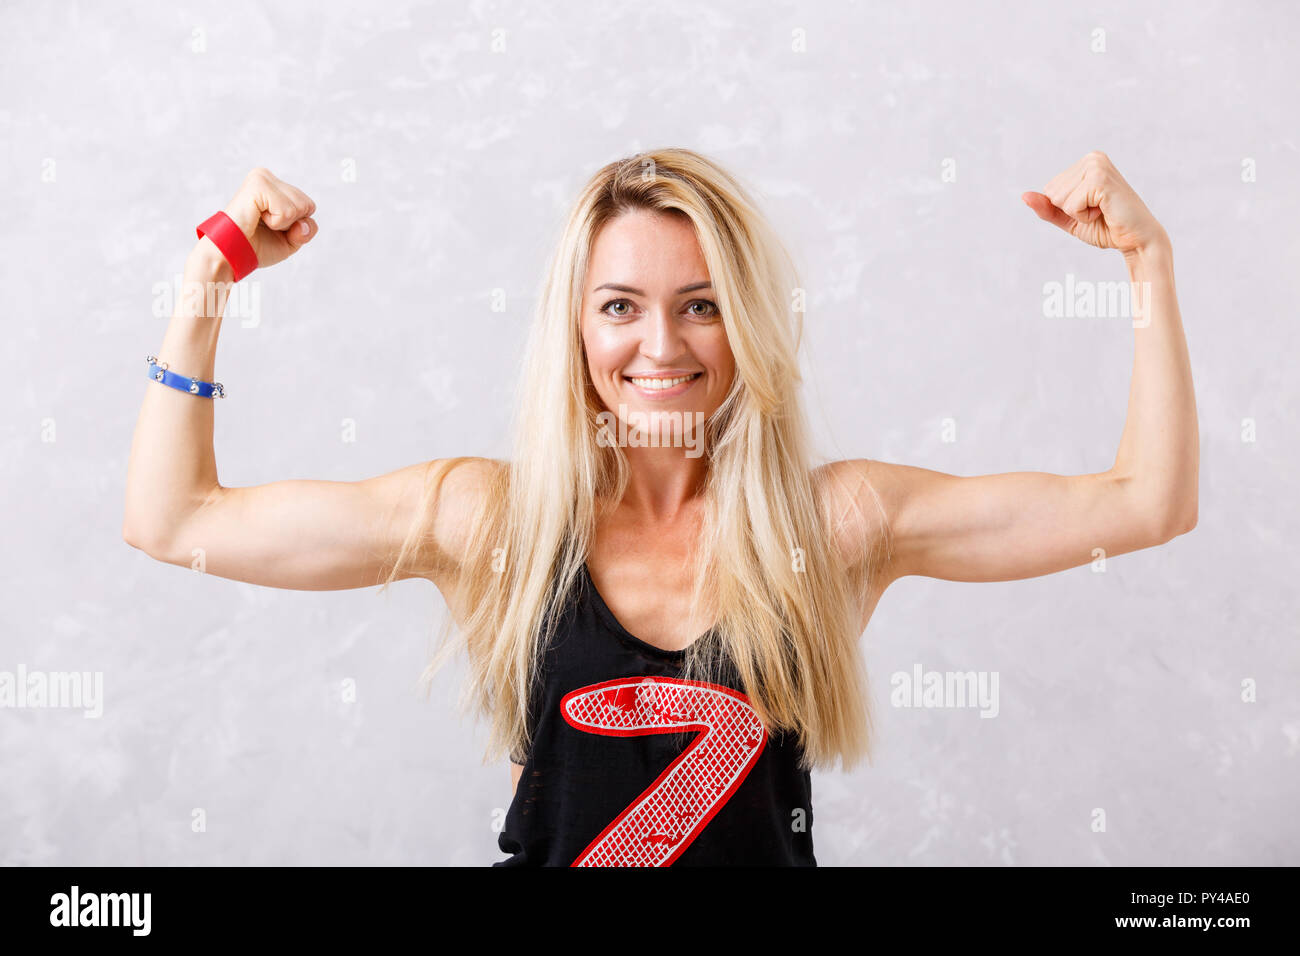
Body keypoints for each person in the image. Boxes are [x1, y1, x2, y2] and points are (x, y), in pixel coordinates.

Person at [122, 149, 1198, 866]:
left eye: (702, 306)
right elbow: (178, 522)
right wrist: (208, 278)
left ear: (749, 325)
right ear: (577, 330)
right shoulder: (491, 523)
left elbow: (1146, 502)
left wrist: (1146, 265)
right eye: (621, 307)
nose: (662, 345)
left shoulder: (833, 527)